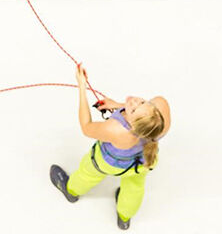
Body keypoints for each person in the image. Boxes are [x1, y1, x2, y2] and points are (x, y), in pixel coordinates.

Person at [50, 64, 171, 230]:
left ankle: (71, 191)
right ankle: (124, 217)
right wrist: (118, 105)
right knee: (134, 187)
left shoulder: (116, 130)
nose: (134, 101)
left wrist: (81, 87)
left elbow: (86, 127)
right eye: (143, 102)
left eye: (133, 110)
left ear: (133, 124)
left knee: (88, 173)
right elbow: (144, 115)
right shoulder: (160, 112)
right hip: (144, 162)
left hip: (110, 164)